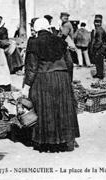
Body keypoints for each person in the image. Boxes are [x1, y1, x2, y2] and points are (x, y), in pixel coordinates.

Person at [22, 18, 80, 152]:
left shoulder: (34, 42)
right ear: (48, 28)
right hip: (62, 77)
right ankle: (63, 141)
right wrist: (67, 80)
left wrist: (26, 86)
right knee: (61, 109)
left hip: (44, 79)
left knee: (45, 109)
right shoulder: (60, 41)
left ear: (36, 30)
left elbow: (32, 67)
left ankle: (46, 142)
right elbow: (69, 63)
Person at [58, 12, 76, 81]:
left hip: (68, 46)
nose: (65, 19)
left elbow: (63, 36)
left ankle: (68, 80)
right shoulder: (65, 24)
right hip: (68, 45)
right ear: (61, 17)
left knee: (68, 63)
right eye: (64, 17)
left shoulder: (66, 25)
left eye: (66, 18)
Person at [90, 14, 106, 79]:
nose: (96, 24)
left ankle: (100, 75)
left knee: (99, 62)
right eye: (95, 22)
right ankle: (99, 73)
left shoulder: (99, 30)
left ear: (100, 23)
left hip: (99, 49)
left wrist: (95, 48)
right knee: (98, 62)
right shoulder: (98, 29)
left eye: (98, 22)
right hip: (100, 48)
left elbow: (99, 41)